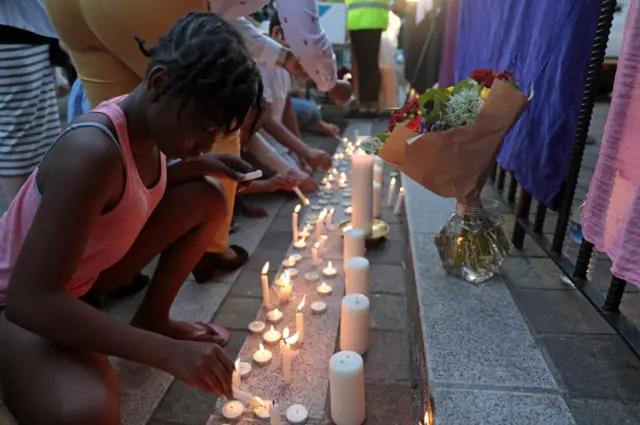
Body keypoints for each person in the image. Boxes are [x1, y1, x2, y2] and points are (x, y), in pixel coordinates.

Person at [0, 13, 261, 424]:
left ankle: (153, 318)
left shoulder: (149, 129)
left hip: (81, 281)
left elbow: (134, 190)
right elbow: (28, 300)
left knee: (205, 199)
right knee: (88, 411)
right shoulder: (92, 152)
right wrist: (167, 354)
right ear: (159, 84)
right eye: (203, 131)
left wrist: (206, 163)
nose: (204, 144)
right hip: (17, 304)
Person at [44, 0, 351, 284]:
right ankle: (211, 249)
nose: (204, 147)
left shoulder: (94, 147)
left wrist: (282, 58)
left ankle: (107, 266)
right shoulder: (86, 152)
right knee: (209, 107)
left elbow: (220, 18)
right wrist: (329, 81)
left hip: (68, 9)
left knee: (125, 141)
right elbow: (301, 27)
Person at [0, 0, 64, 202]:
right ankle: (19, 226)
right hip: (13, 30)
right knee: (20, 138)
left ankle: (30, 218)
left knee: (40, 136)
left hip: (31, 30)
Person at [346, 0, 389, 117]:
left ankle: (366, 105)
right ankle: (371, 104)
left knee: (362, 65)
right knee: (371, 64)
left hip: (356, 18)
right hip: (375, 17)